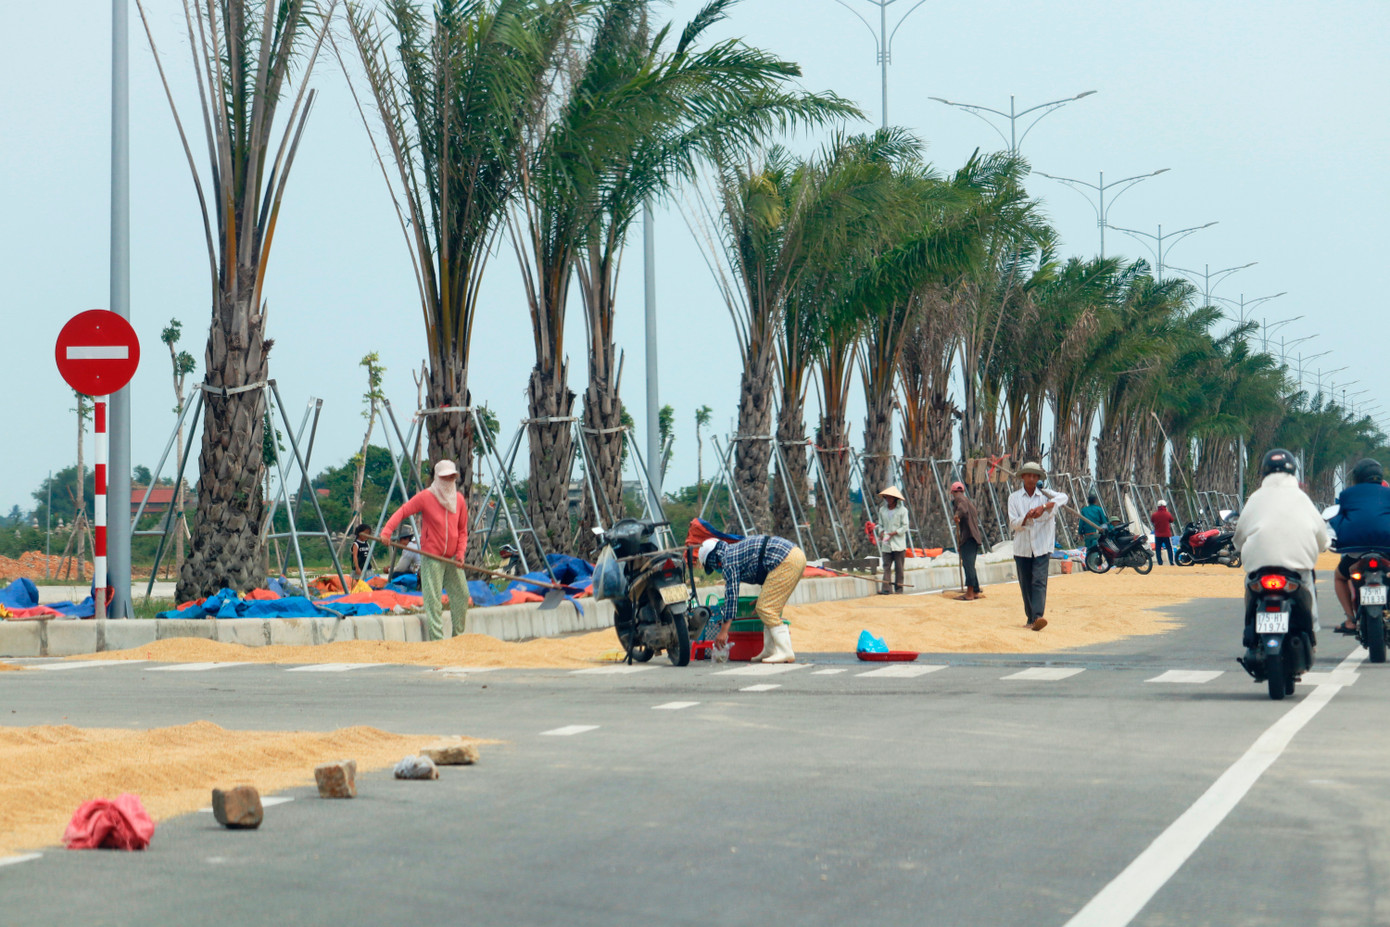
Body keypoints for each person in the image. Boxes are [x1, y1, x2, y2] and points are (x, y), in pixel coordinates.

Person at [1233, 449, 1327, 666]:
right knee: (1308, 585)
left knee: (1249, 585)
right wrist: (1324, 546)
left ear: (1265, 471)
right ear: (1292, 470)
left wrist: (1238, 546)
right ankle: (1311, 637)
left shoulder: (1256, 498)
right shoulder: (1301, 498)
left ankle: (1251, 633)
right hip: (1296, 569)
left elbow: (1239, 536)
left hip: (1259, 568)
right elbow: (1321, 535)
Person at [382, 459, 470, 642]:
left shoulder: (459, 500)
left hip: (453, 558)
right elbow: (403, 511)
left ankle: (458, 638)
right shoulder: (426, 497)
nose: (448, 482)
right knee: (433, 601)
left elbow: (462, 531)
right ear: (437, 478)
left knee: (462, 596)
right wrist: (387, 531)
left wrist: (460, 553)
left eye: (451, 477)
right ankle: (438, 641)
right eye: (444, 478)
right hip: (432, 557)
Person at [698, 534, 807, 664]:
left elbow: (731, 596)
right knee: (766, 607)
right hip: (794, 556)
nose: (716, 569)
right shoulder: (733, 551)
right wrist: (764, 596)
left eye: (712, 566)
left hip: (787, 559)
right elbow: (765, 567)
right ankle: (770, 650)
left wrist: (724, 631)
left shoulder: (728, 560)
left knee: (766, 608)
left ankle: (785, 651)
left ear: (713, 557)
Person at [1327, 457, 1390, 634]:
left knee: (1340, 577)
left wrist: (1336, 539)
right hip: (1387, 548)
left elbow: (1337, 518)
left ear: (1358, 477)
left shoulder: (1347, 494)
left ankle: (1349, 620)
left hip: (1356, 550)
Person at [1007, 461, 1069, 631]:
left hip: (1042, 547)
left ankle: (1038, 617)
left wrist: (1044, 507)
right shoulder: (1014, 498)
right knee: (1026, 584)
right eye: (1029, 475)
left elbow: (1063, 498)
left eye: (1035, 476)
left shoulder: (1045, 495)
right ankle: (1030, 617)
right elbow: (1014, 523)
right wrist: (1026, 517)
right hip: (1022, 549)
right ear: (1023, 477)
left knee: (1039, 582)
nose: (1032, 479)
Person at [950, 481, 986, 600]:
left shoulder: (961, 500)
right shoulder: (967, 501)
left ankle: (970, 593)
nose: (958, 494)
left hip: (969, 537)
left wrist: (957, 515)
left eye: (957, 492)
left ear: (952, 492)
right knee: (970, 564)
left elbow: (962, 509)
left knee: (968, 565)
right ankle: (975, 590)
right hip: (971, 537)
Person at [876, 486, 910, 594]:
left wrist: (894, 533)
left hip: (898, 543)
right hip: (886, 543)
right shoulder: (882, 510)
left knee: (899, 567)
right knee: (886, 566)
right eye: (887, 498)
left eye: (891, 498)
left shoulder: (903, 511)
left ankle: (899, 588)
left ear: (895, 499)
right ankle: (886, 588)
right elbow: (880, 524)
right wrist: (881, 532)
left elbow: (905, 526)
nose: (888, 500)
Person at [1079, 492, 1108, 557]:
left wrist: (1080, 533)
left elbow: (1081, 523)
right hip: (1096, 533)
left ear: (1088, 501)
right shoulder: (1099, 509)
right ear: (1095, 501)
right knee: (1096, 549)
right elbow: (1104, 522)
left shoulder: (1084, 510)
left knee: (1089, 550)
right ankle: (1094, 564)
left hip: (1087, 534)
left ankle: (1089, 564)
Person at [1150, 500, 1177, 565]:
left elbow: (1152, 520)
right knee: (1169, 548)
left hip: (1158, 534)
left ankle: (1160, 562)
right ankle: (1171, 561)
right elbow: (1171, 520)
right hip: (1166, 534)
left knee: (1158, 549)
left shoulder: (1154, 514)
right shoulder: (1167, 514)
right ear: (1165, 506)